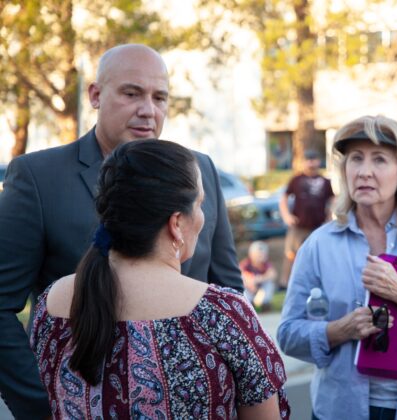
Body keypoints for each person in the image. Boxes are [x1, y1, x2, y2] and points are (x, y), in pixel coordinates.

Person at [0, 44, 243, 419]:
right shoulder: (38, 178)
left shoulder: (200, 171)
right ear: (96, 95)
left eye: (159, 97)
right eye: (132, 93)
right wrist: (46, 407)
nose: (148, 110)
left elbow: (228, 289)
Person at [29, 139, 289, 419]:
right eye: (200, 204)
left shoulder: (51, 303)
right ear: (176, 224)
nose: (202, 216)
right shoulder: (221, 314)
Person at [277, 115, 397, 420]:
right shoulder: (319, 244)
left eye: (379, 160)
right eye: (355, 159)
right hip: (339, 409)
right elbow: (289, 334)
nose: (364, 171)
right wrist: (339, 330)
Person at [278, 149, 334, 288]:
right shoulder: (296, 179)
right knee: (291, 254)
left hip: (318, 226)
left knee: (321, 255)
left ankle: (321, 283)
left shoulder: (325, 181)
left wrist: (330, 216)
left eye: (313, 159)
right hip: (299, 226)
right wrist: (286, 216)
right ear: (304, 162)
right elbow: (284, 198)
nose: (311, 163)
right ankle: (285, 284)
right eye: (308, 160)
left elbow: (333, 199)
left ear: (318, 161)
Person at [241, 240, 277, 310]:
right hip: (249, 289)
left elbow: (273, 274)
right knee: (242, 280)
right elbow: (241, 273)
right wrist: (251, 281)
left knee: (269, 283)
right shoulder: (246, 263)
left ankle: (264, 303)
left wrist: (260, 279)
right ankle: (248, 303)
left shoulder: (265, 265)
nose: (261, 256)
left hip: (260, 290)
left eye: (263, 254)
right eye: (258, 254)